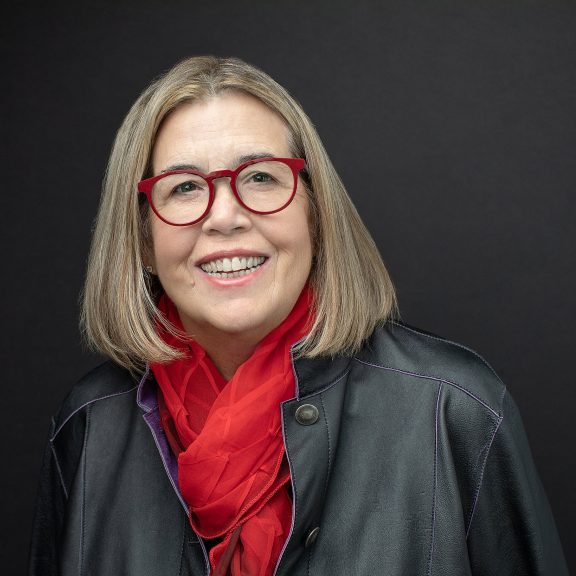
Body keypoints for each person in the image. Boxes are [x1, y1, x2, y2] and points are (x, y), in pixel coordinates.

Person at [29, 56, 567, 576]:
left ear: (315, 209)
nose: (226, 217)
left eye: (261, 177)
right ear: (143, 238)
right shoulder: (88, 427)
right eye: (185, 187)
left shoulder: (454, 410)